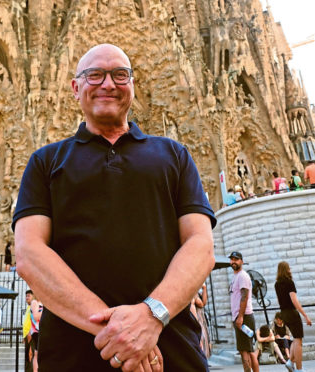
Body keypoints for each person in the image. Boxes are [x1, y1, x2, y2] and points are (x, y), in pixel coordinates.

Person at [13, 43, 216, 371]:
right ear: (76, 87)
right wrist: (120, 335)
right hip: (74, 357)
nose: (108, 84)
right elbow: (28, 255)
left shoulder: (175, 155)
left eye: (120, 75)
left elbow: (201, 246)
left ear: (133, 86)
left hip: (172, 354)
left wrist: (150, 317)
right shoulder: (45, 162)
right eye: (95, 75)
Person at [275, 261, 312, 372]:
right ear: (286, 270)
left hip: (284, 313)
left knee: (295, 339)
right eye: (289, 268)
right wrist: (305, 316)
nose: (290, 270)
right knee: (298, 341)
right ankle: (299, 369)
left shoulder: (277, 284)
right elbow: (294, 300)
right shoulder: (289, 282)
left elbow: (279, 300)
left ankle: (290, 362)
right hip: (291, 312)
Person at [228, 251, 259, 372]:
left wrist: (240, 317)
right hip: (238, 317)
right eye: (232, 259)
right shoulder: (235, 276)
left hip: (244, 317)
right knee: (245, 350)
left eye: (236, 259)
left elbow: (244, 296)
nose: (233, 262)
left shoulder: (243, 276)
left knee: (248, 351)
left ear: (241, 261)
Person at [191, 283, 211, 359]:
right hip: (197, 317)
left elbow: (204, 302)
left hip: (201, 318)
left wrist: (204, 289)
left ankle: (204, 357)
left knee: (204, 338)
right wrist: (204, 288)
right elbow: (201, 304)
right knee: (201, 338)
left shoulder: (197, 291)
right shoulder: (193, 291)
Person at [22, 290, 34, 372]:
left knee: (30, 356)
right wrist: (24, 336)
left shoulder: (33, 307)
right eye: (26, 296)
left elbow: (34, 321)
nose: (27, 298)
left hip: (31, 336)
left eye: (28, 296)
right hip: (27, 336)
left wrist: (30, 333)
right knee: (27, 357)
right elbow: (26, 322)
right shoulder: (28, 308)